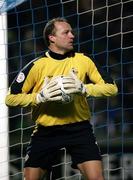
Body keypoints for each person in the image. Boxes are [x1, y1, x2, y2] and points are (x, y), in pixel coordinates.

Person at [5, 17, 118, 180]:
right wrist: (39, 97)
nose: (72, 35)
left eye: (71, 32)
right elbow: (10, 99)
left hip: (79, 129)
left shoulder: (84, 60)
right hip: (46, 131)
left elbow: (112, 88)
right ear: (52, 37)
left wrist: (84, 88)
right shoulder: (37, 65)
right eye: (66, 32)